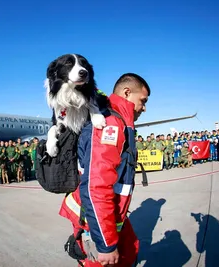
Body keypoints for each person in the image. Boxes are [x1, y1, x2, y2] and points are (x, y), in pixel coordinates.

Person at [59, 73, 150, 267]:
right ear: (127, 92)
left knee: (131, 249)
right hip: (95, 220)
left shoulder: (120, 121)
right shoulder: (110, 123)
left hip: (109, 215)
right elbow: (96, 188)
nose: (144, 108)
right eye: (143, 101)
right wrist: (106, 245)